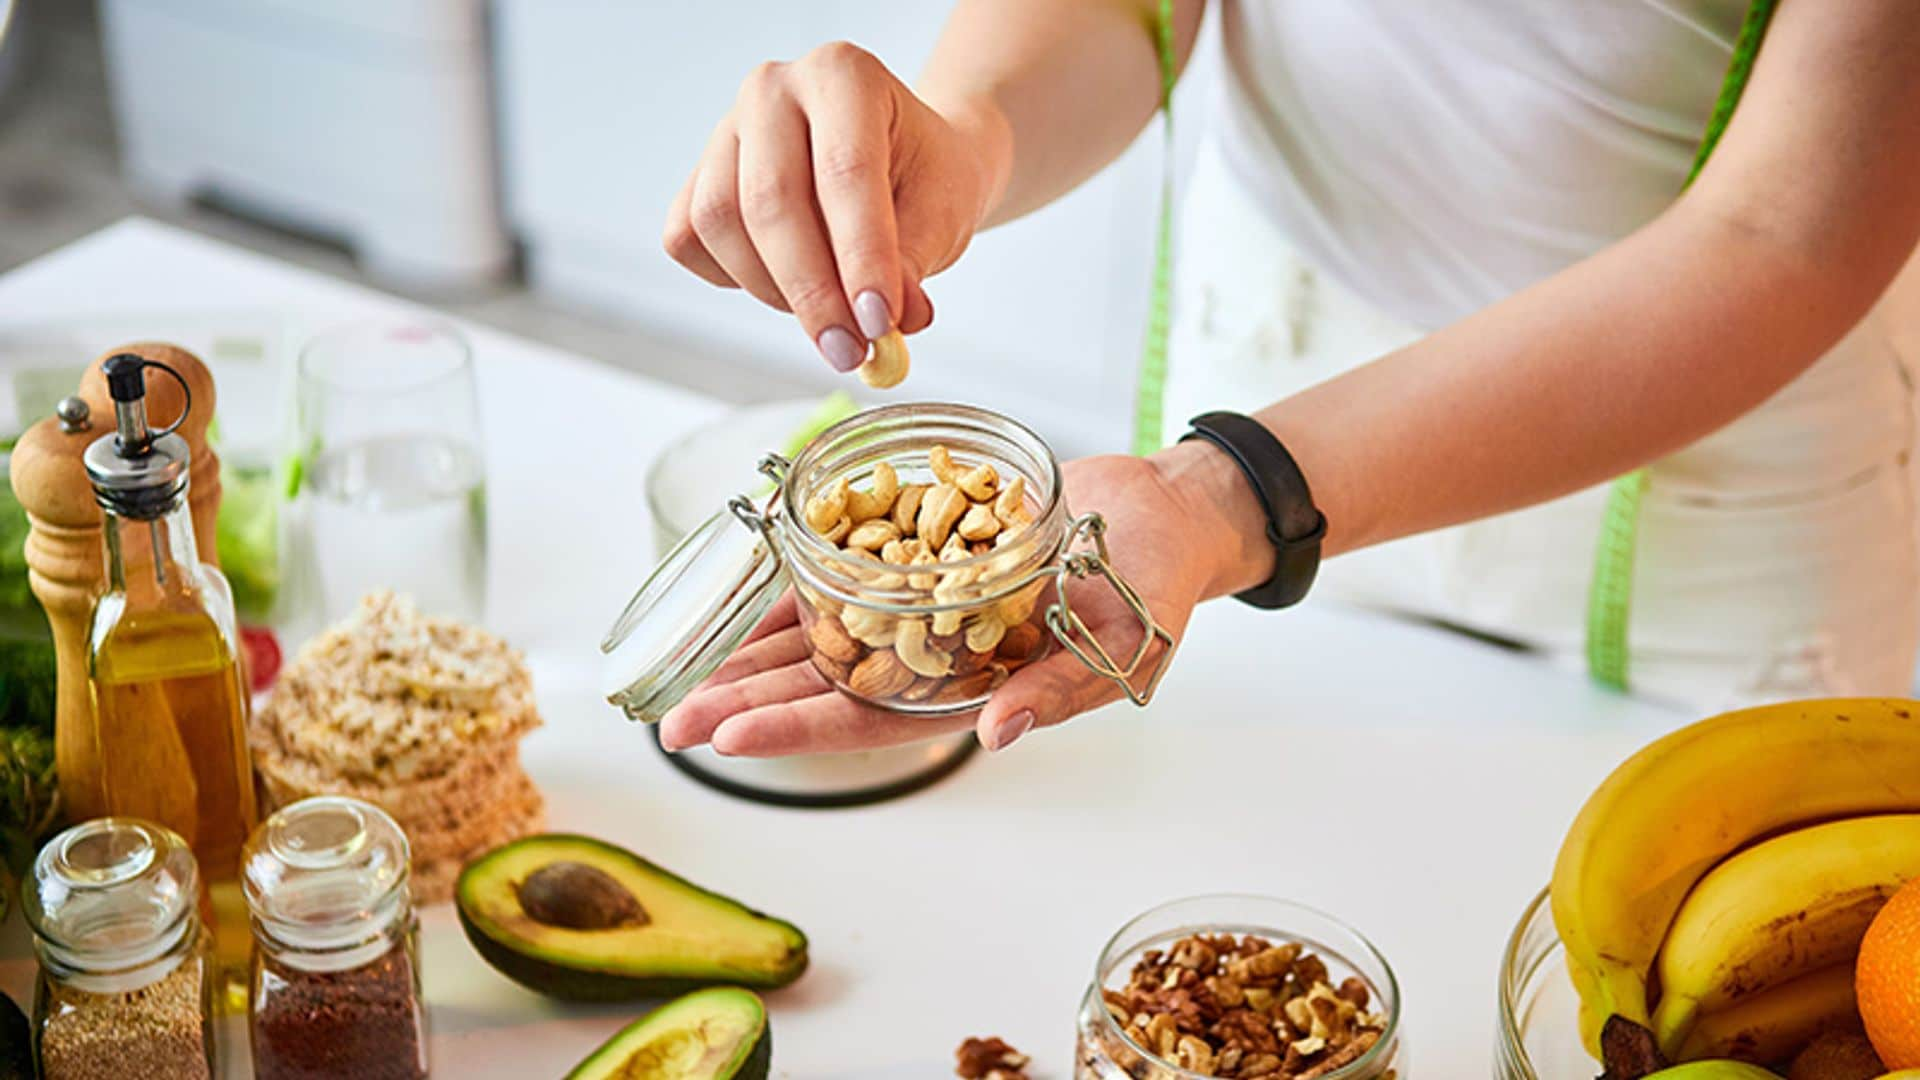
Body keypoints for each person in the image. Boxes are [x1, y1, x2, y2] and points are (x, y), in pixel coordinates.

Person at [656, 0, 1920, 756]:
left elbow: (1785, 235)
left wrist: (1232, 495)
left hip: (1700, 465)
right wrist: (968, 132)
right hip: (1265, 365)